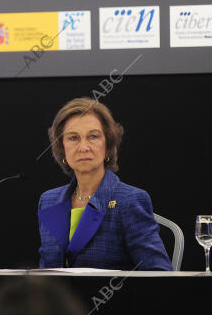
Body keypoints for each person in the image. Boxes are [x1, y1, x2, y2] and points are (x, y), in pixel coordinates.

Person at [38, 98, 172, 270]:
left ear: (108, 146)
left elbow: (159, 274)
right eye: (73, 138)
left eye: (93, 136)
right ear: (62, 148)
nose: (83, 147)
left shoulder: (129, 200)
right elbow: (44, 275)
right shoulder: (49, 201)